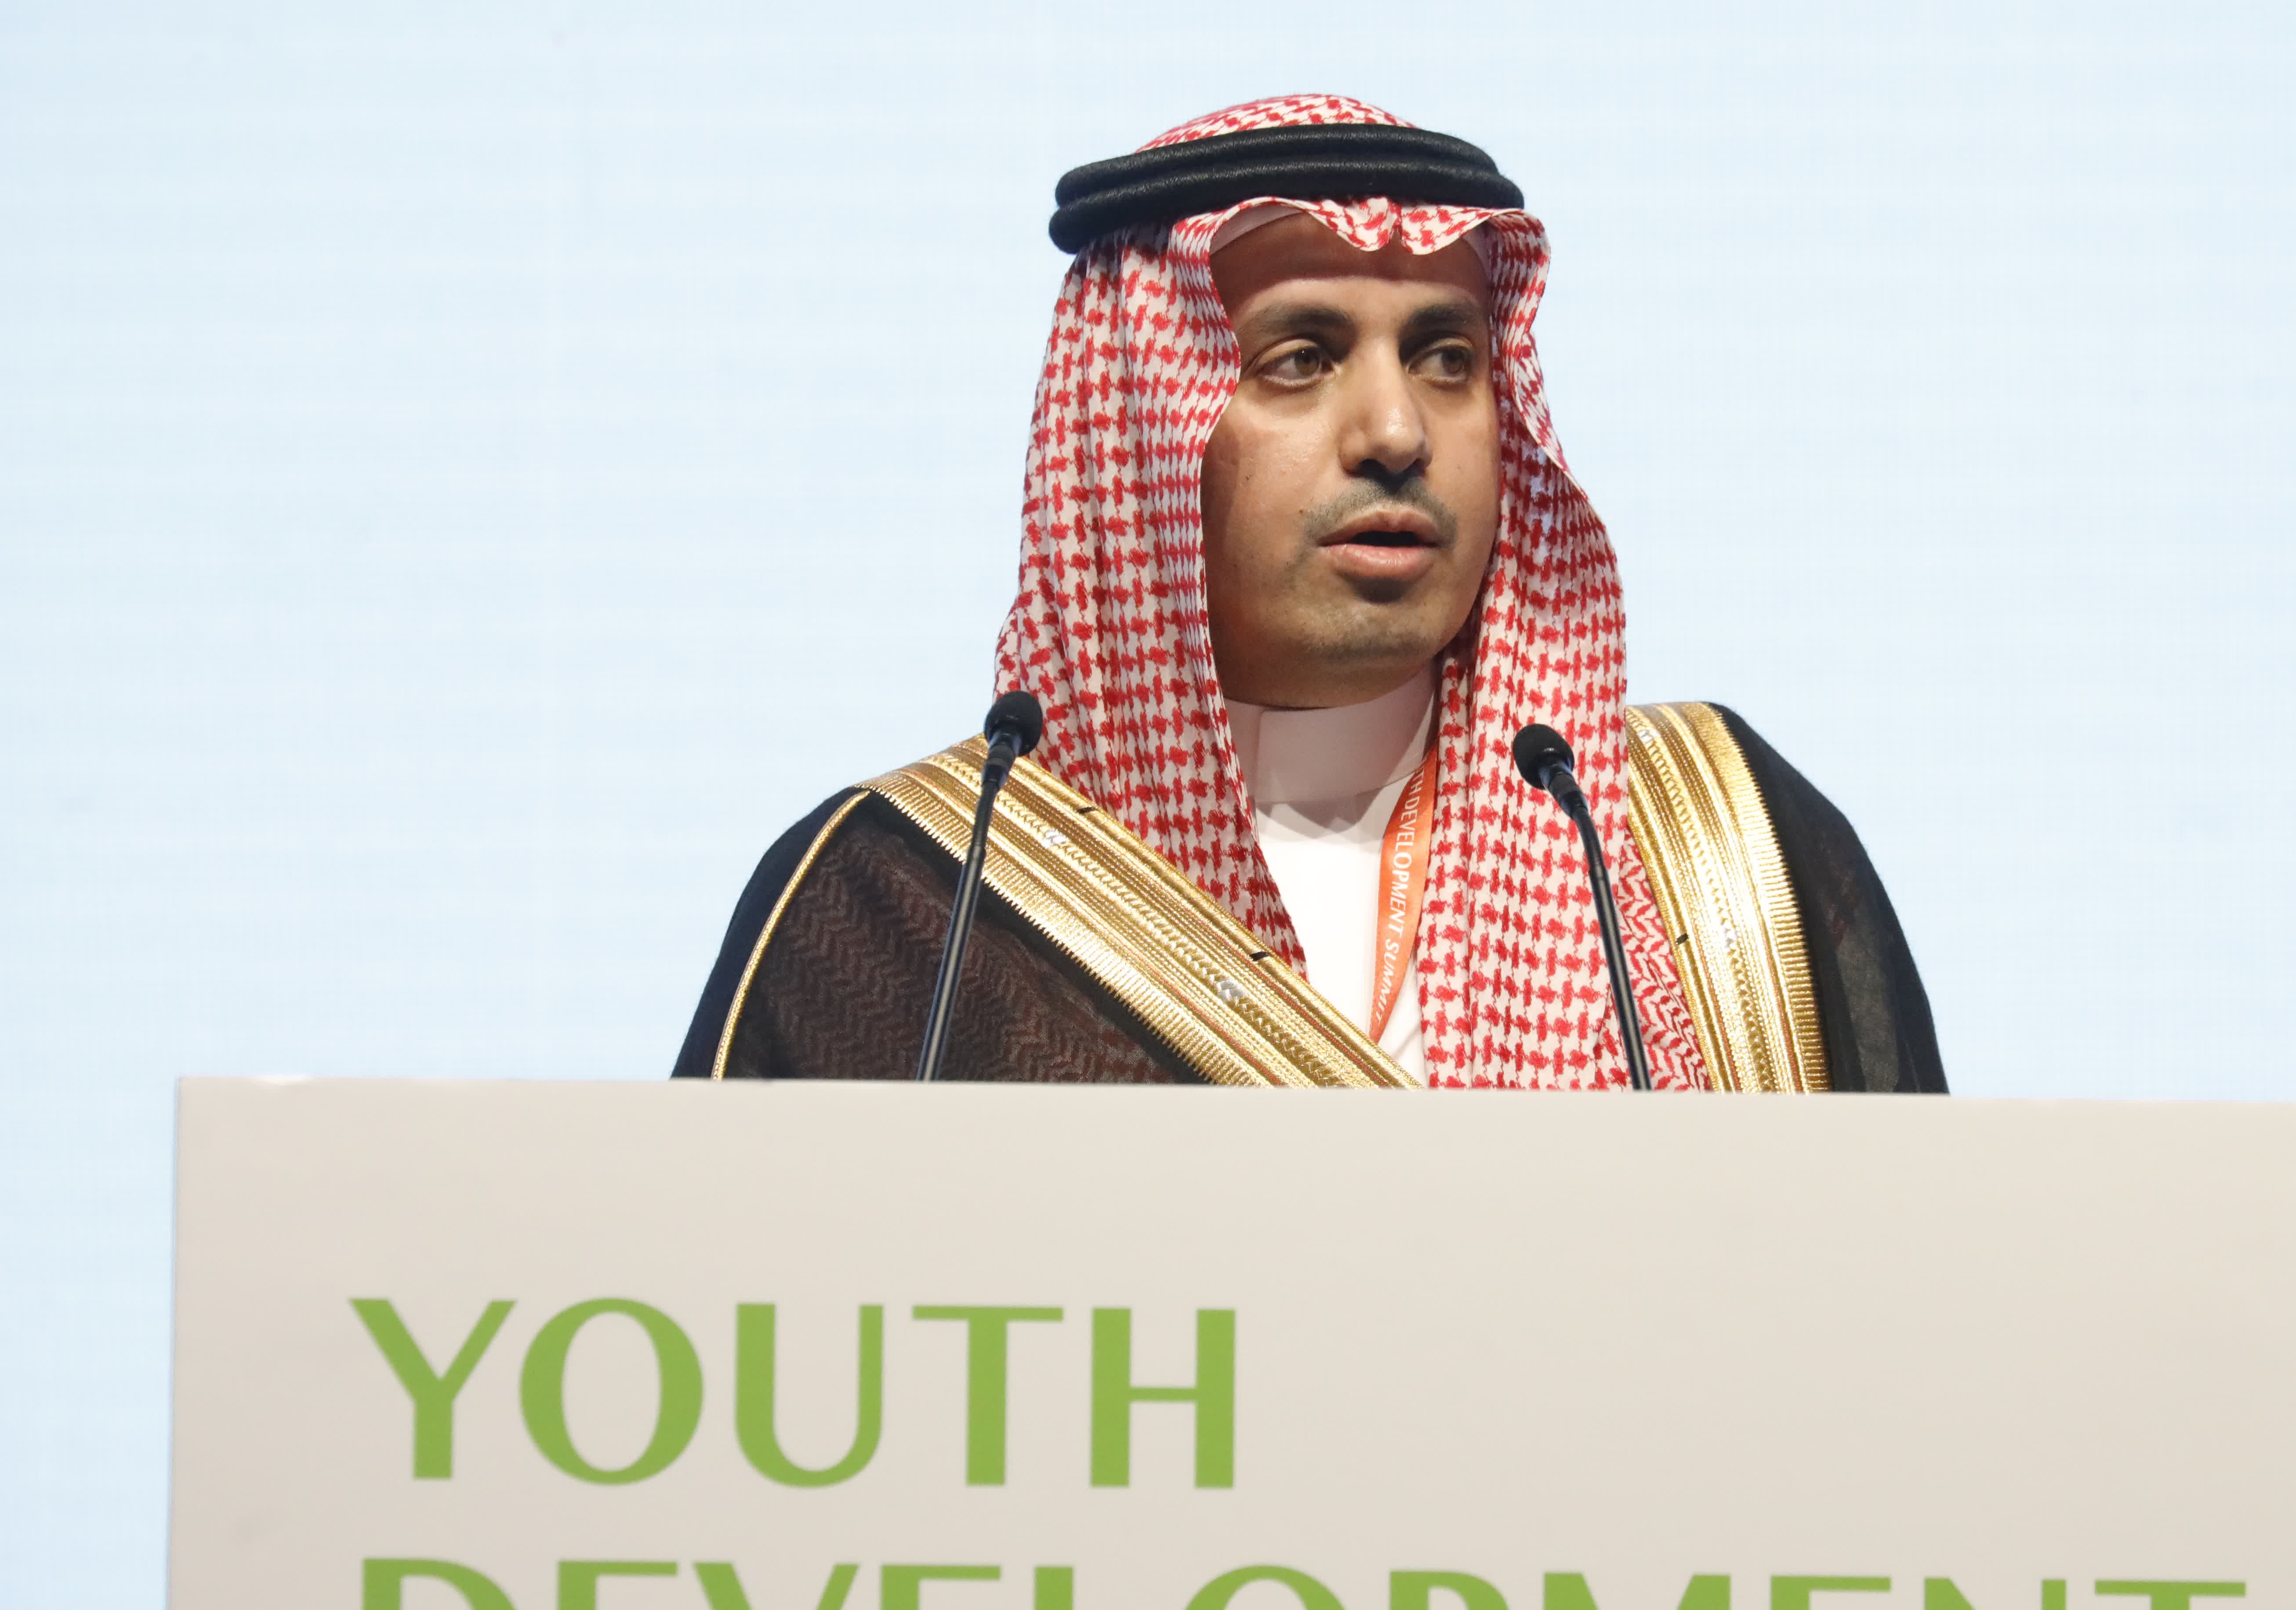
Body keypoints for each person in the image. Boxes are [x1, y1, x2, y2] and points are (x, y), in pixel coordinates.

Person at [675, 95, 1943, 1093]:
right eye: (1299, 359)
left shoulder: (1716, 850)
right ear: (1142, 429)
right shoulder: (909, 903)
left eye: (1447, 359)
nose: (1397, 431)